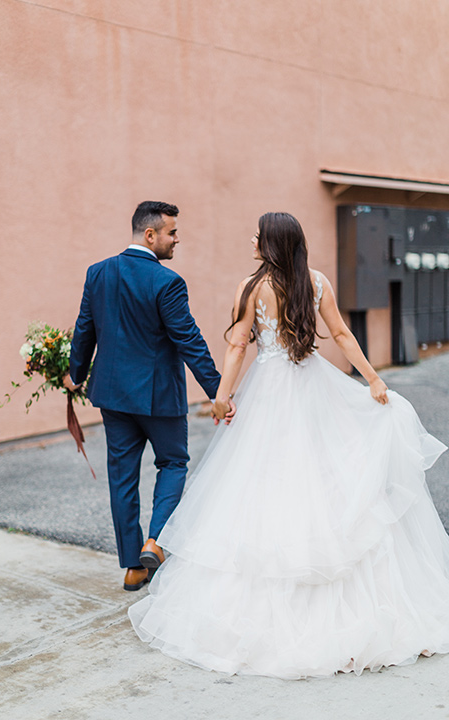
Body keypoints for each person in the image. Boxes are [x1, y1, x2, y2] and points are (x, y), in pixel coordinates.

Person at [129, 211, 449, 679]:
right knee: (325, 477)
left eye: (259, 236)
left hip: (269, 390)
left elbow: (238, 344)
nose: (252, 240)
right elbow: (340, 335)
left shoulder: (251, 287)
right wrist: (373, 379)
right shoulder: (315, 282)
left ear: (272, 244)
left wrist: (222, 397)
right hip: (314, 384)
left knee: (262, 481)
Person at [65, 201, 233, 592]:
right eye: (172, 233)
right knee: (173, 463)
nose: (177, 240)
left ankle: (132, 568)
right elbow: (189, 340)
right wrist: (218, 392)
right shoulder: (167, 282)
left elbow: (83, 329)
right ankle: (155, 543)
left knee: (121, 479)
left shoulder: (98, 273)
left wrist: (75, 374)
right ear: (150, 234)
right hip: (158, 398)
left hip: (112, 396)